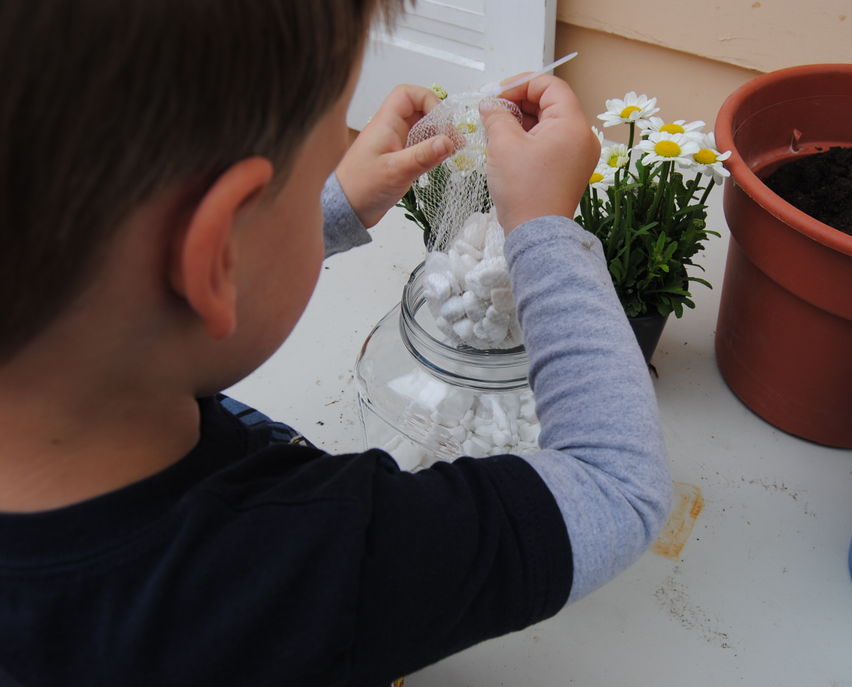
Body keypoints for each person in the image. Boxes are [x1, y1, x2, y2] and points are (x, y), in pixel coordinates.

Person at [0, 1, 671, 685]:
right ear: (216, 258)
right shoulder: (307, 564)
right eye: (324, 160)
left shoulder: (79, 379)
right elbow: (616, 484)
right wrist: (541, 226)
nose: (334, 171)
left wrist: (334, 200)